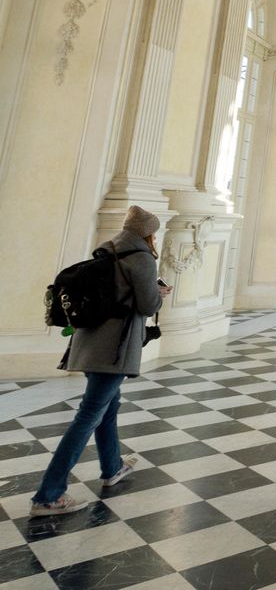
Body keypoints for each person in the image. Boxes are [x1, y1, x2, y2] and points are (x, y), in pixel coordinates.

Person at [30, 206, 170, 517]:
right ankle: (48, 495)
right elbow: (148, 305)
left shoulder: (108, 250)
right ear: (149, 234)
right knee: (88, 416)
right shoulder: (142, 258)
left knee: (108, 406)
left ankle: (112, 467)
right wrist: (160, 293)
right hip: (114, 349)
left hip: (90, 342)